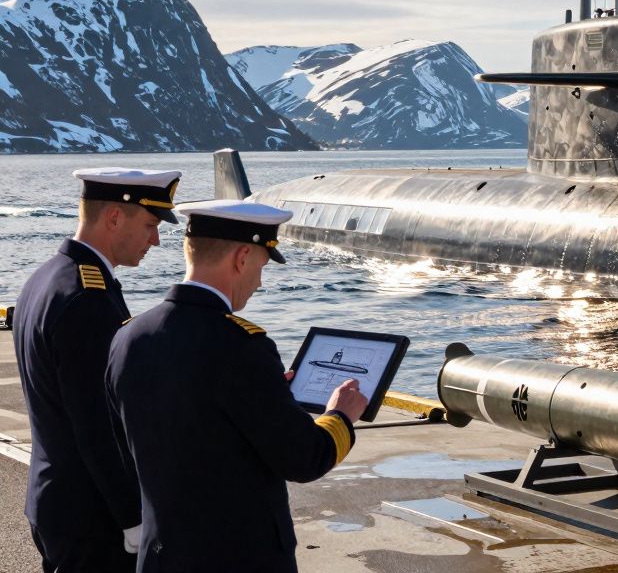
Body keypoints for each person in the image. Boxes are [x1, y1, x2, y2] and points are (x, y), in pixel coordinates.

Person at [106, 199, 367, 572]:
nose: (259, 282)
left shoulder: (128, 336)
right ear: (242, 257)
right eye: (261, 266)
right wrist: (340, 415)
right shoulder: (242, 347)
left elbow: (128, 445)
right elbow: (304, 458)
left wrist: (269, 394)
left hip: (161, 556)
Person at [12, 167, 181, 572]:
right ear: (114, 217)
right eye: (150, 225)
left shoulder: (47, 278)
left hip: (57, 499)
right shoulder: (87, 299)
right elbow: (98, 426)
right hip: (92, 516)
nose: (156, 240)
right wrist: (134, 518)